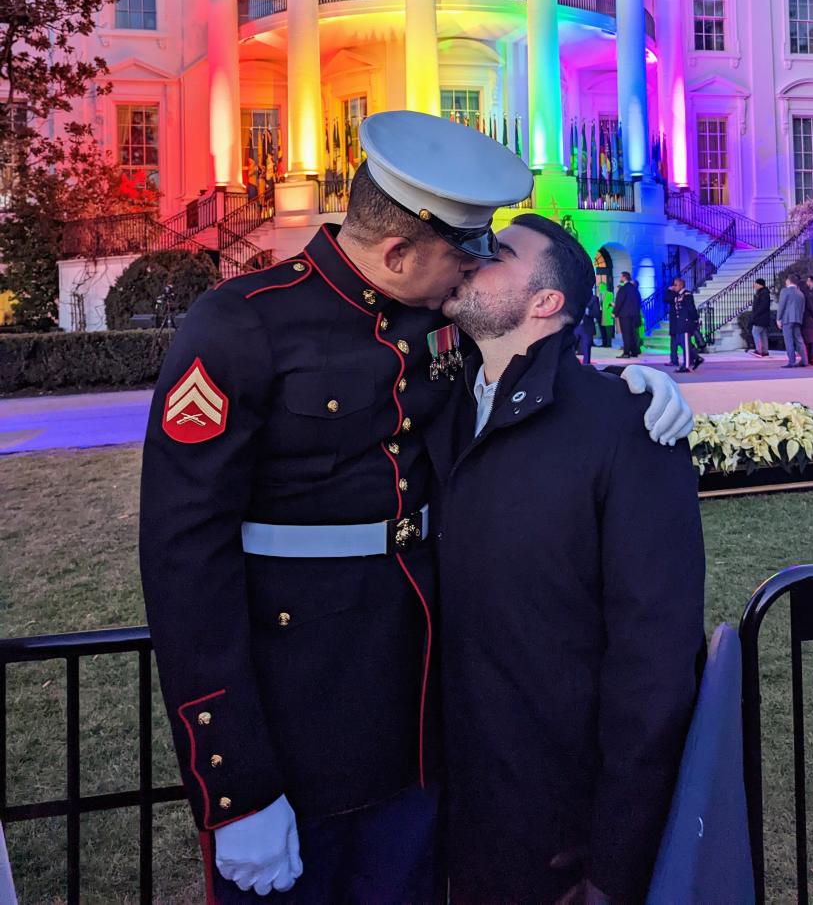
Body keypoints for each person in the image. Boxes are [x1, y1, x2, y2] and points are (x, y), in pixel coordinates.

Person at [139, 110, 696, 904]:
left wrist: (631, 390)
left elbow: (530, 353)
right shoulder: (238, 326)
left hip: (422, 739)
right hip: (298, 736)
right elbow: (183, 563)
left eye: (481, 250)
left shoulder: (434, 316)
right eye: (461, 252)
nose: (469, 268)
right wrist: (236, 791)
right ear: (398, 253)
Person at [431, 215, 706, 904]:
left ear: (546, 301)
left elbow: (654, 668)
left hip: (555, 833)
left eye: (497, 255)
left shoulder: (627, 429)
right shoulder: (439, 409)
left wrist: (616, 862)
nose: (471, 260)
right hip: (445, 812)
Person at [671, 278, 703, 373]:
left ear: (681, 285)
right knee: (681, 343)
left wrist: (695, 319)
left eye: (675, 285)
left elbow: (691, 309)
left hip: (686, 323)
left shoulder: (687, 295)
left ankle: (686, 365)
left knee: (685, 345)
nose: (674, 287)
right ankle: (697, 358)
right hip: (680, 324)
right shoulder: (678, 295)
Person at [777, 274, 808, 368]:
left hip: (787, 319)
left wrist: (778, 318)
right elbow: (802, 308)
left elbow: (781, 305)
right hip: (798, 319)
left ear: (789, 281)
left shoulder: (785, 291)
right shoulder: (800, 293)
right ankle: (804, 360)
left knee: (788, 340)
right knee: (799, 340)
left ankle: (792, 361)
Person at [614, 270, 642, 358]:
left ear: (624, 277)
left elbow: (619, 301)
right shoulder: (634, 289)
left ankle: (626, 353)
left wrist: (615, 312)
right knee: (633, 333)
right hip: (634, 315)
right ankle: (634, 351)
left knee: (626, 334)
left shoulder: (623, 289)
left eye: (621, 276)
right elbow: (639, 302)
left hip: (625, 315)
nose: (620, 278)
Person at [573, 288, 602, 364]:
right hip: (575, 327)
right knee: (571, 348)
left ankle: (586, 367)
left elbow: (597, 313)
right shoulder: (574, 297)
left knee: (586, 349)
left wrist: (589, 312)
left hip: (587, 327)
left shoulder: (594, 299)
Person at [750, 278, 771, 357]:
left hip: (760, 317)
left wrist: (755, 314)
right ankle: (765, 351)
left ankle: (759, 350)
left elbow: (763, 306)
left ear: (759, 284)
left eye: (755, 283)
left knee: (755, 331)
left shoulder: (763, 293)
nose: (754, 285)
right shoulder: (762, 292)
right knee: (763, 333)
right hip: (763, 317)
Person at [598, 277, 615, 348]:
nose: (599, 288)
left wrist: (611, 311)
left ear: (604, 287)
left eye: (600, 287)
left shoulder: (610, 294)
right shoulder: (600, 295)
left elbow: (612, 304)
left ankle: (609, 344)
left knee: (608, 331)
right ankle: (604, 343)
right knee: (603, 330)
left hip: (608, 315)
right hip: (602, 315)